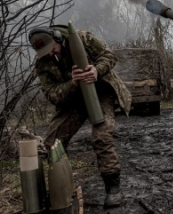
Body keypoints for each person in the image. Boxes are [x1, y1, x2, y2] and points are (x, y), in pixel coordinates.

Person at [28, 25, 132, 208]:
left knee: (101, 136)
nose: (51, 54)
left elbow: (110, 56)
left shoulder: (83, 39)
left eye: (52, 48)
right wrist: (73, 82)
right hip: (73, 99)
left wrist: (96, 70)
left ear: (58, 38)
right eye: (46, 52)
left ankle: (113, 189)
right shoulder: (43, 64)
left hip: (100, 93)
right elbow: (52, 95)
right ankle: (63, 190)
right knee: (53, 142)